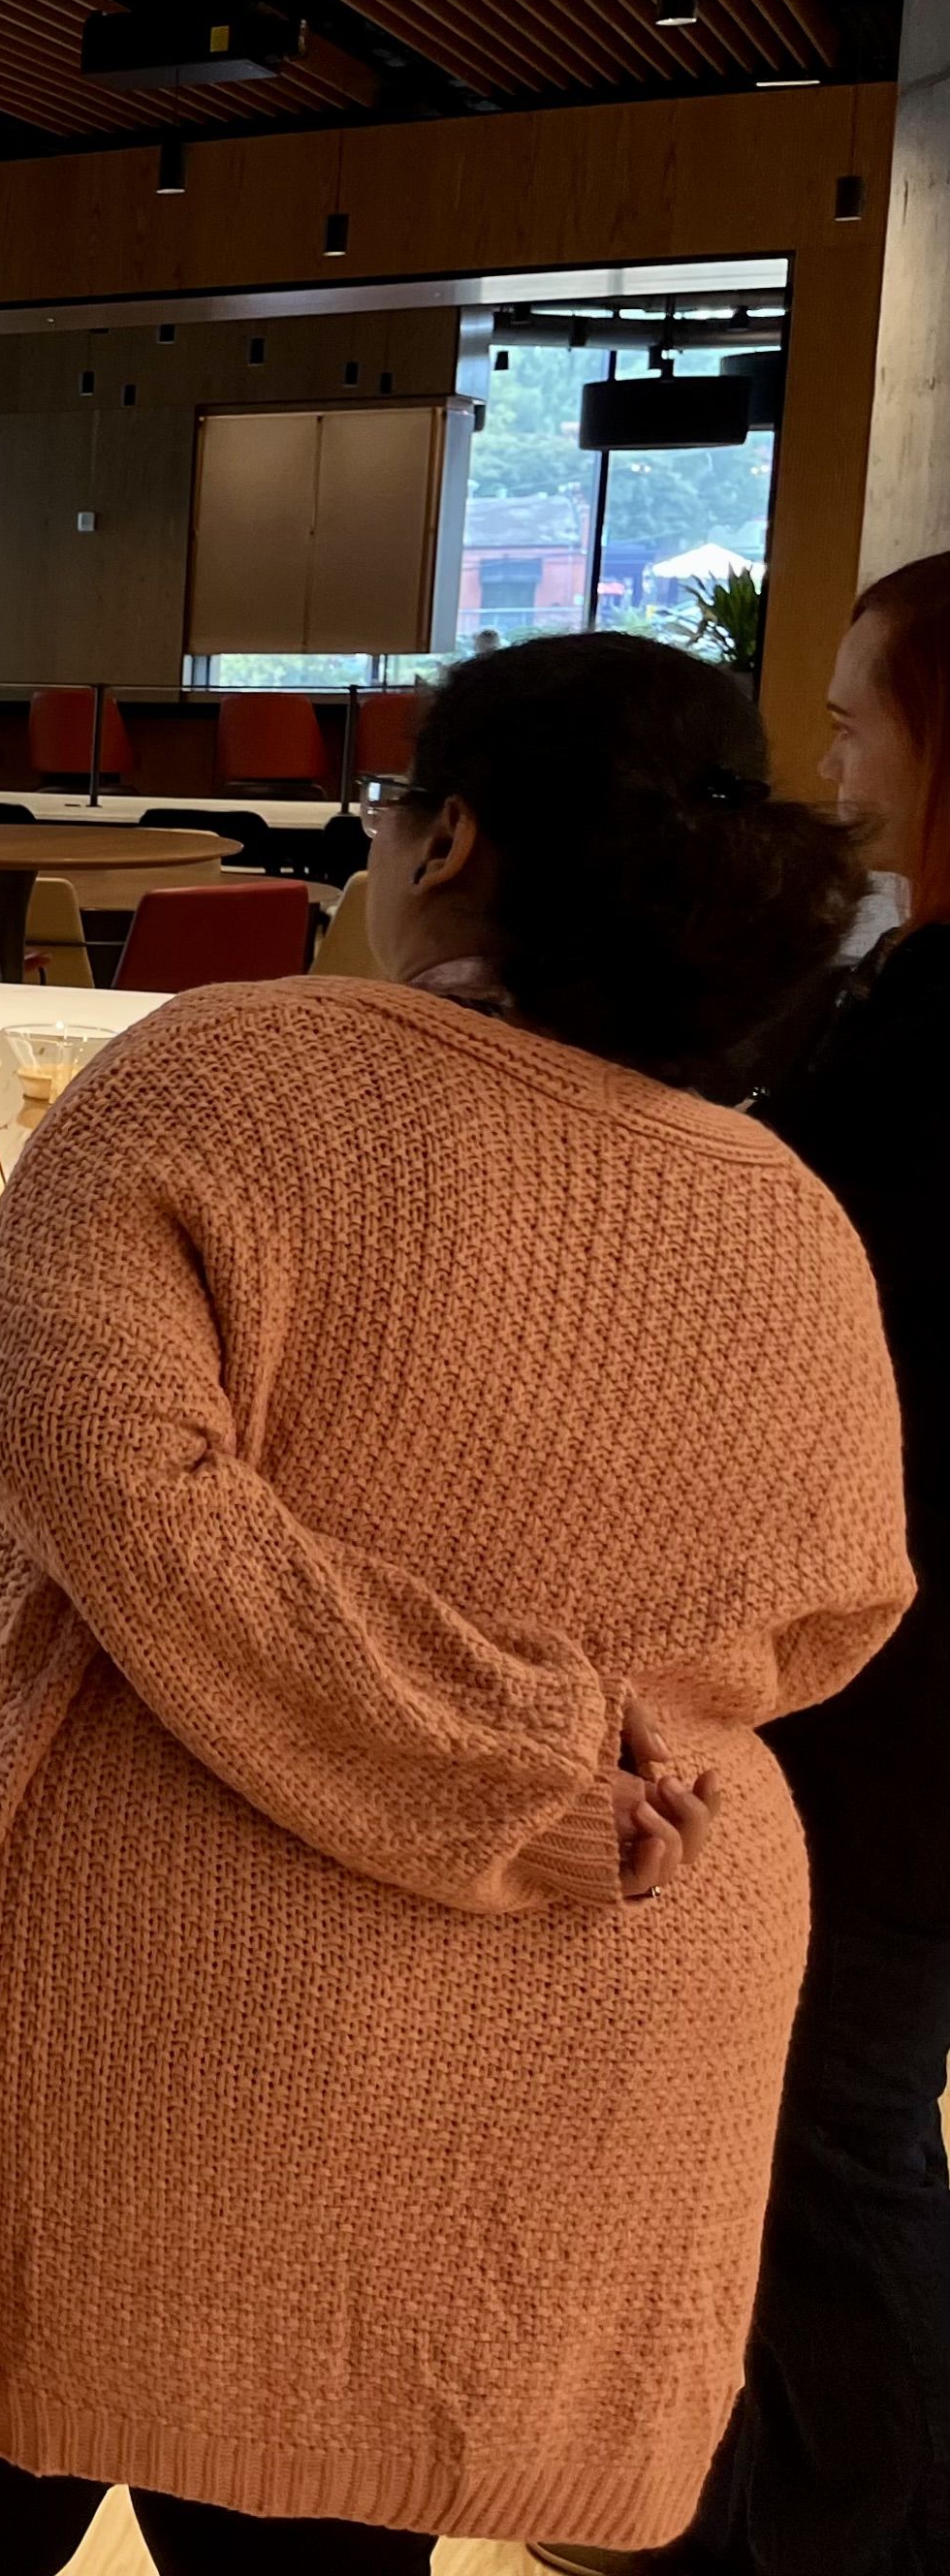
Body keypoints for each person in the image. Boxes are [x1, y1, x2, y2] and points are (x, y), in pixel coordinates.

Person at [0, 632, 915, 2570]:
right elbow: (834, 1610)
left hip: (104, 2031)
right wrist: (563, 1743)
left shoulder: (213, 1083)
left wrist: (491, 1748)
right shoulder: (785, 1221)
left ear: (446, 834)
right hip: (508, 2047)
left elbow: (115, 1487)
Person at [569, 558, 950, 2576]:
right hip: (881, 1682)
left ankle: (843, 2529)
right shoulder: (900, 994)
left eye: (851, 718)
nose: (823, 759)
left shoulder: (929, 1031)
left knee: (839, 2148)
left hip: (899, 1706)